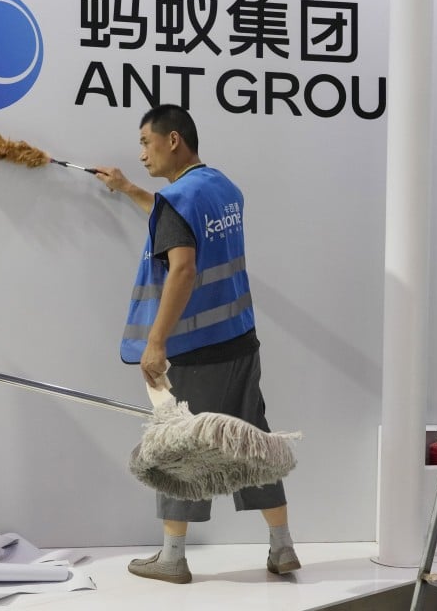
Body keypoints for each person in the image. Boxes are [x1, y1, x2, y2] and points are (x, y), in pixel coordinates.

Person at [94, 104, 300, 584]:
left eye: (146, 142)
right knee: (252, 441)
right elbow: (177, 220)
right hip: (240, 341)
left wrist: (156, 342)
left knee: (178, 447)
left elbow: (183, 269)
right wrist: (128, 188)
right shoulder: (221, 187)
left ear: (173, 140)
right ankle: (283, 545)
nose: (141, 153)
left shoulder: (177, 201)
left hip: (194, 349)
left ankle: (173, 557)